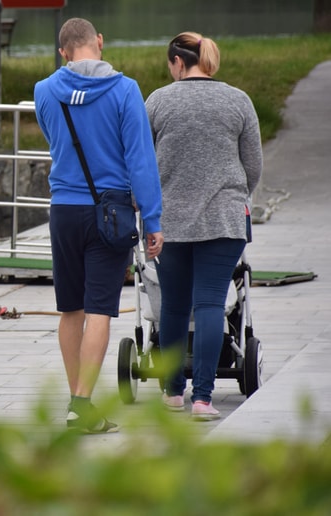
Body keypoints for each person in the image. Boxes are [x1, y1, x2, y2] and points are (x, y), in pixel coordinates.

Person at [34, 18, 164, 433]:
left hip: (64, 211)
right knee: (100, 310)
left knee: (70, 309)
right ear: (99, 43)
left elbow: (54, 141)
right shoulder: (126, 91)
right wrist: (153, 219)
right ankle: (81, 403)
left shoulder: (43, 92)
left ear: (63, 52)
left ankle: (80, 405)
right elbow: (140, 161)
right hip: (110, 213)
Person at [144, 32, 262, 420]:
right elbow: (253, 166)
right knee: (210, 302)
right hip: (224, 219)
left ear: (177, 63)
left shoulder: (158, 101)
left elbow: (143, 163)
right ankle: (204, 399)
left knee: (174, 306)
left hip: (170, 222)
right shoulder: (238, 100)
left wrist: (144, 209)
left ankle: (173, 392)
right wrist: (238, 198)